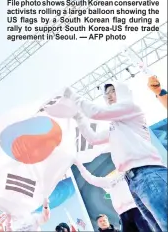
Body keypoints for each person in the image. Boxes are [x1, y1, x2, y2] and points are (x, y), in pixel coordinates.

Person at [64, 81, 168, 231]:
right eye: (106, 94)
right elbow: (93, 138)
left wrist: (72, 96)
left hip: (148, 172)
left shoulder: (131, 108)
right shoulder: (115, 126)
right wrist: (77, 116)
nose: (109, 96)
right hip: (135, 181)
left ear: (123, 91)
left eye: (113, 91)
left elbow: (95, 112)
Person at [75, 158, 153, 232]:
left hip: (136, 208)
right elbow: (91, 179)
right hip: (123, 214)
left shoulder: (126, 172)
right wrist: (79, 164)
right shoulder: (107, 181)